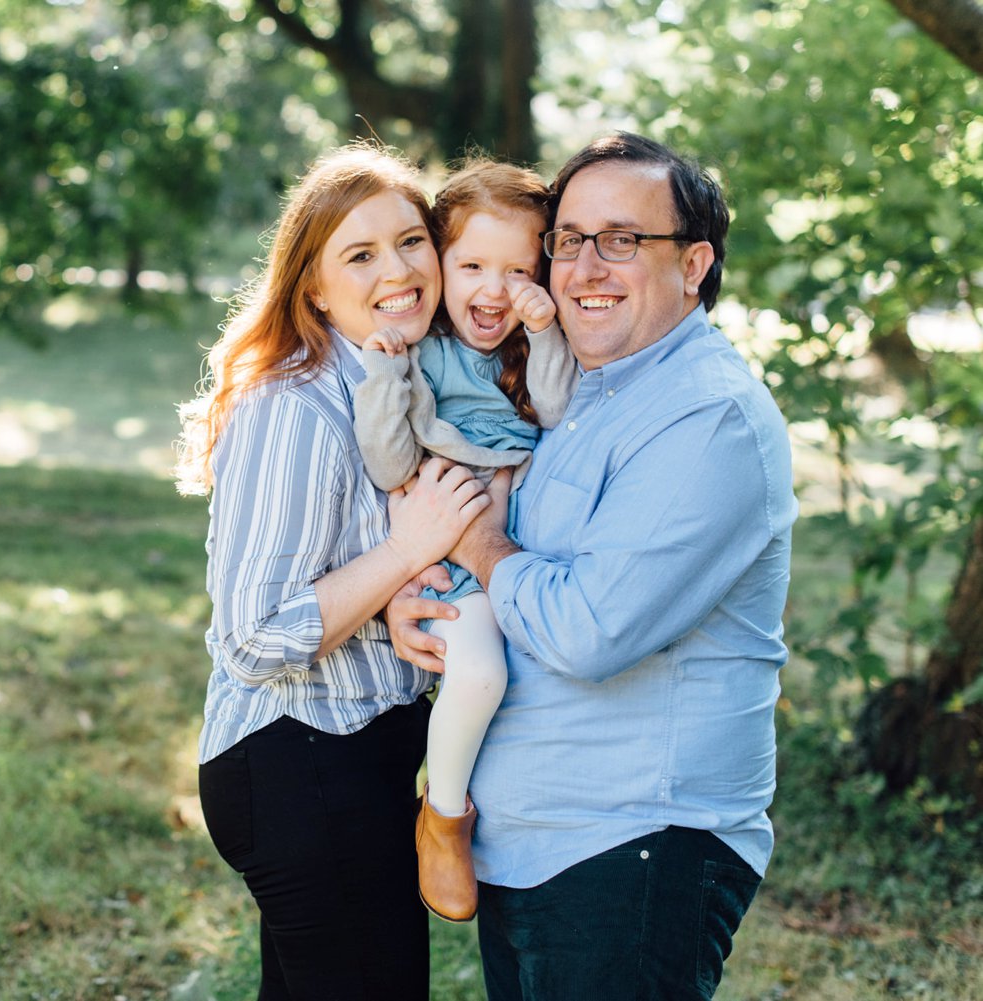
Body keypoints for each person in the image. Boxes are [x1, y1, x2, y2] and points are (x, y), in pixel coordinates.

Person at [388, 132, 798, 1000]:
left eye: (620, 240)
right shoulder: (587, 392)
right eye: (568, 240)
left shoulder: (705, 416)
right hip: (535, 840)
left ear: (694, 264)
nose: (583, 266)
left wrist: (472, 542)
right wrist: (421, 593)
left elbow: (587, 627)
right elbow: (511, 571)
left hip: (631, 846)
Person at [176, 141, 490, 1001]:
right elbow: (251, 635)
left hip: (354, 756)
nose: (398, 269)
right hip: (299, 763)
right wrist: (406, 551)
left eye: (411, 241)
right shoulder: (297, 405)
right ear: (312, 285)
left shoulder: (400, 384)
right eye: (360, 254)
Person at [351, 157, 578, 923]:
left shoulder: (523, 350)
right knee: (481, 678)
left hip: (517, 552)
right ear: (440, 261)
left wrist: (543, 330)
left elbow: (550, 405)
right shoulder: (414, 354)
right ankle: (444, 818)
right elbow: (388, 462)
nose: (493, 289)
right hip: (456, 556)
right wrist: (385, 377)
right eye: (473, 264)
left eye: (518, 270)